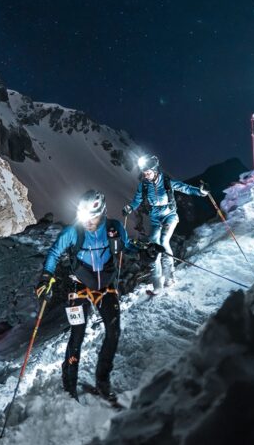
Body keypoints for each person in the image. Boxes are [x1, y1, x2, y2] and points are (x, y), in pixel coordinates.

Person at [35, 189, 146, 402]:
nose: (87, 222)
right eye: (84, 216)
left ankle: (103, 381)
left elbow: (127, 247)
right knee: (77, 335)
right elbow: (55, 252)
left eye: (92, 217)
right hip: (80, 287)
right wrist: (46, 276)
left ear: (102, 212)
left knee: (113, 333)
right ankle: (70, 386)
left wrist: (144, 250)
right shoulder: (73, 231)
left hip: (106, 287)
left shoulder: (114, 228)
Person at [123, 155, 208, 292]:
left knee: (163, 241)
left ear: (155, 170)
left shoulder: (167, 182)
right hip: (155, 218)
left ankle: (170, 277)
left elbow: (184, 188)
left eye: (148, 173)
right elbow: (137, 200)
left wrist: (200, 192)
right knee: (153, 247)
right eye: (144, 173)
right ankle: (157, 285)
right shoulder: (143, 186)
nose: (146, 175)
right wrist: (130, 207)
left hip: (170, 216)